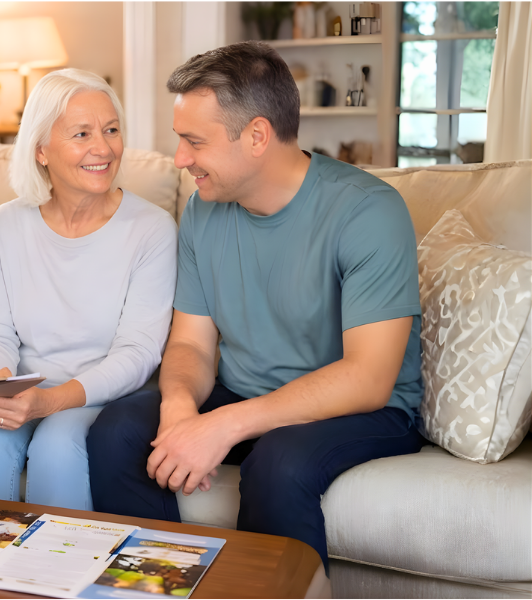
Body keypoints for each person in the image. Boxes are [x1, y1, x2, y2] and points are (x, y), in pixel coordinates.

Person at [87, 41, 426, 572]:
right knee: (118, 431)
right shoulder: (203, 211)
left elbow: (369, 378)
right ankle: (154, 585)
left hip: (363, 408)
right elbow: (191, 343)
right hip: (245, 390)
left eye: (193, 142)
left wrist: (222, 426)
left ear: (257, 136)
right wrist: (179, 407)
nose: (180, 160)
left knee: (278, 461)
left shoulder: (367, 212)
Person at [0, 69, 177, 510]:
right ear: (40, 149)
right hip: (21, 387)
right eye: (82, 133)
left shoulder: (152, 229)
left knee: (57, 447)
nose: (104, 148)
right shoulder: (5, 224)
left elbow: (139, 352)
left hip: (104, 395)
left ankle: (59, 576)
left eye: (111, 130)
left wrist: (51, 401)